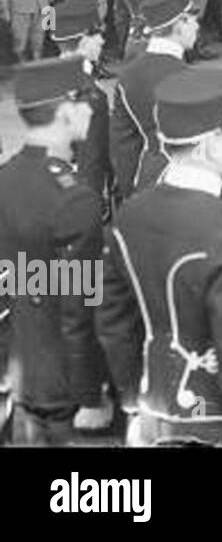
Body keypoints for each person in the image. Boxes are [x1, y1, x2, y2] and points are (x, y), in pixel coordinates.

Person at [98, 67, 222, 445]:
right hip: (215, 418)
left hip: (152, 414)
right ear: (208, 144)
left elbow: (114, 323)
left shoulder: (128, 217)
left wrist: (134, 396)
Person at [0, 58, 103, 445]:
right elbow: (79, 310)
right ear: (63, 111)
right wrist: (91, 394)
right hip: (63, 390)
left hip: (18, 372)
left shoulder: (5, 179)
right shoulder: (74, 200)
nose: (91, 108)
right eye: (83, 100)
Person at [108, 0, 197, 200]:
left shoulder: (128, 76)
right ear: (179, 24)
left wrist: (130, 194)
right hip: (185, 185)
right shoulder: (188, 78)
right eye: (193, 19)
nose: (197, 26)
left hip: (145, 182)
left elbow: (124, 147)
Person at [49, 0, 114, 221]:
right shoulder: (91, 96)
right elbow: (91, 163)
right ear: (83, 41)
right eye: (97, 35)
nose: (102, 41)